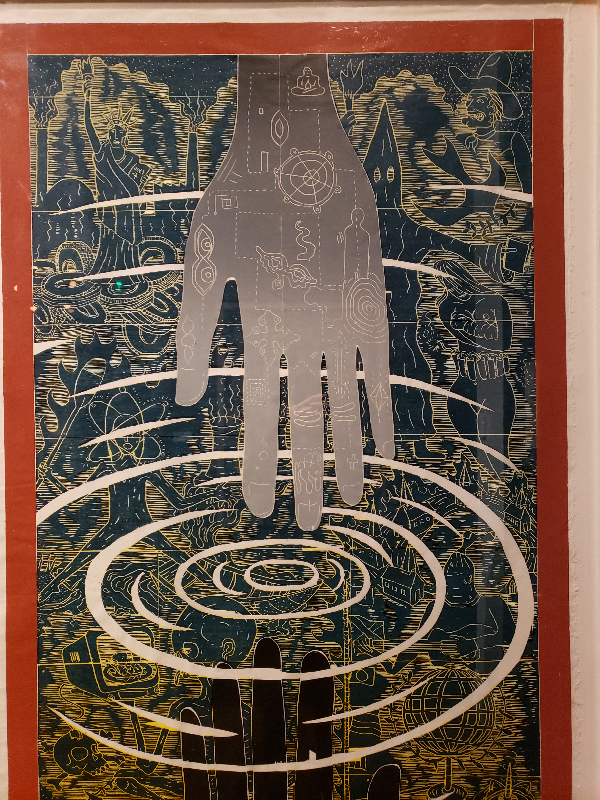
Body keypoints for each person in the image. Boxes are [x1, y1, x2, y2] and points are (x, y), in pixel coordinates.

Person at [82, 64, 150, 276]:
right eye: (113, 133)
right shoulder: (102, 152)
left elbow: (138, 185)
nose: (116, 136)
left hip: (128, 213)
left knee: (128, 252)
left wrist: (140, 184)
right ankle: (107, 273)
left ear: (125, 136)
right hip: (109, 212)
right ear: (109, 135)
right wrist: (86, 98)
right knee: (109, 246)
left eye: (120, 133)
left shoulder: (132, 158)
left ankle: (130, 272)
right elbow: (89, 127)